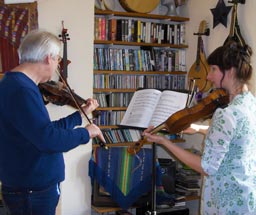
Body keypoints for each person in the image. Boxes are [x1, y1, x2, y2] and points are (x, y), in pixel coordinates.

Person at [0, 30, 105, 215]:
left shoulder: (18, 85)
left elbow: (42, 131)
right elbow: (49, 140)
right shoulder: (21, 90)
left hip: (31, 188)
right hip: (31, 191)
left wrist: (81, 116)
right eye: (57, 59)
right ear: (49, 58)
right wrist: (86, 133)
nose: (57, 65)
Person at [144, 41, 256, 214]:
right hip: (246, 198)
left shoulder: (225, 115)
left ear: (230, 71)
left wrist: (164, 141)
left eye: (213, 69)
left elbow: (206, 167)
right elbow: (235, 137)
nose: (208, 76)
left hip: (225, 203)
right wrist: (198, 128)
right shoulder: (250, 103)